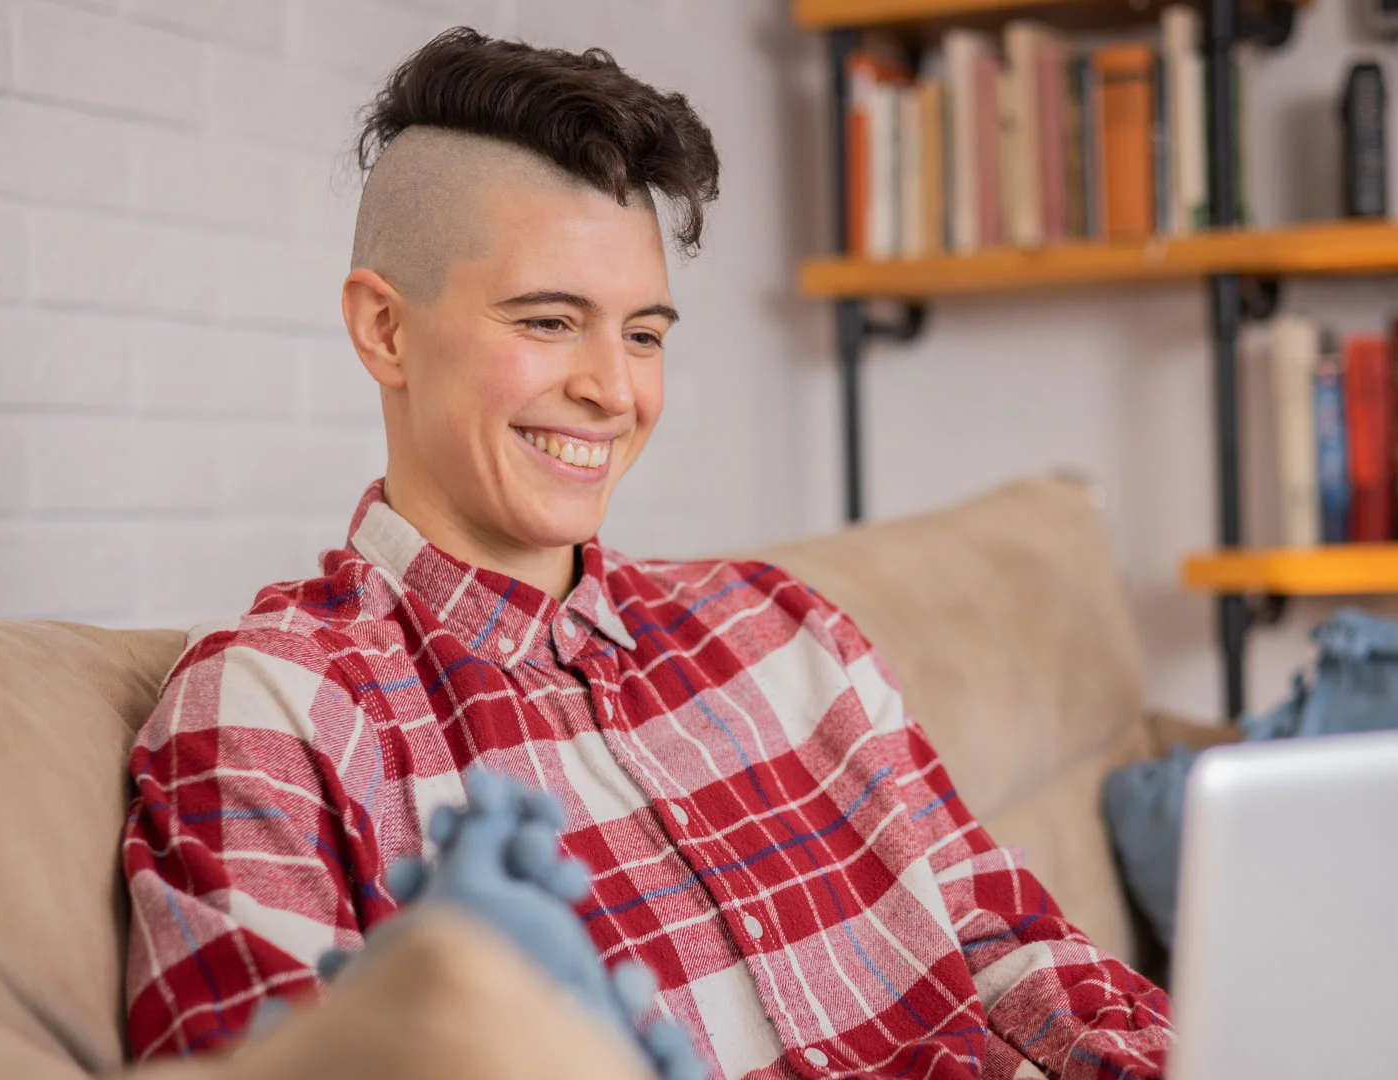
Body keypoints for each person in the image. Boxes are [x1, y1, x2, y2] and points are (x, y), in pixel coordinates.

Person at [121, 27, 1172, 1080]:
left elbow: (1011, 944)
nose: (614, 392)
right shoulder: (273, 711)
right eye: (548, 321)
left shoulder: (784, 629)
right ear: (386, 331)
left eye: (644, 334)